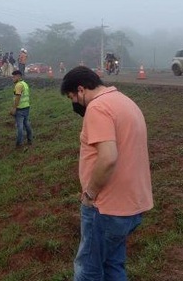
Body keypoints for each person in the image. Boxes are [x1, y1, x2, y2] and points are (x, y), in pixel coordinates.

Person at [60, 66, 153, 280]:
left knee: (88, 270)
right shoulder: (125, 102)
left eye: (71, 97)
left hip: (105, 208)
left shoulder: (98, 108)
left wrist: (90, 193)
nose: (73, 102)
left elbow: (108, 157)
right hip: (131, 205)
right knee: (113, 265)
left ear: (81, 89)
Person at [9, 69, 33, 147]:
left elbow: (18, 97)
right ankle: (30, 139)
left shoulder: (18, 85)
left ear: (18, 76)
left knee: (20, 126)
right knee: (27, 123)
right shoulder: (25, 84)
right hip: (27, 107)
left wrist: (14, 108)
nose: (12, 78)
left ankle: (19, 143)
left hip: (20, 108)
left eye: (14, 77)